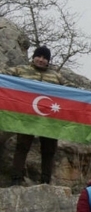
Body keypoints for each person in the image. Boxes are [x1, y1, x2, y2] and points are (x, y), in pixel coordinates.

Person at [5, 46, 71, 185]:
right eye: (38, 56)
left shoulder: (56, 76)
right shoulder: (20, 70)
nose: (41, 60)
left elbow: (72, 89)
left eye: (45, 58)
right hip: (26, 116)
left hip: (49, 119)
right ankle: (16, 180)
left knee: (49, 150)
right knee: (22, 146)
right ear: (33, 57)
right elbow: (3, 77)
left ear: (48, 61)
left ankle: (45, 181)